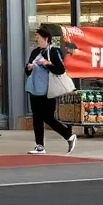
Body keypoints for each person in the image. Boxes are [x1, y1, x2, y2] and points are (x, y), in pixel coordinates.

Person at [25, 26, 77, 155]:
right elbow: (27, 71)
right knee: (36, 118)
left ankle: (68, 135)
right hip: (34, 89)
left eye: (38, 36)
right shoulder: (35, 52)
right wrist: (29, 67)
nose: (36, 39)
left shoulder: (53, 51)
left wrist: (47, 64)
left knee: (48, 118)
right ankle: (39, 146)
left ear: (46, 38)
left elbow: (60, 70)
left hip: (48, 90)